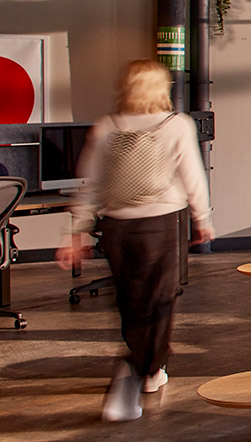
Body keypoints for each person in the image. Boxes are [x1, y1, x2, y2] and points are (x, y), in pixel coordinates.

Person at [60, 59, 215, 422]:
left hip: (115, 228)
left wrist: (76, 232)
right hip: (160, 225)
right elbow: (193, 176)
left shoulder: (107, 126)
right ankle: (134, 372)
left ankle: (150, 370)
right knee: (159, 302)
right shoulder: (176, 124)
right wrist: (202, 219)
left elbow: (90, 182)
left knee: (130, 303)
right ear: (162, 89)